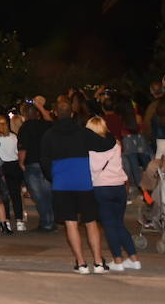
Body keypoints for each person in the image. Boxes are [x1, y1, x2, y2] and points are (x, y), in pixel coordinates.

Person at [40, 99, 113, 273]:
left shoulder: (48, 135)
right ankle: (98, 262)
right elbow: (105, 145)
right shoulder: (82, 132)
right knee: (90, 222)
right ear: (71, 114)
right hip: (83, 182)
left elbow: (44, 161)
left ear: (55, 113)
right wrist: (108, 133)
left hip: (62, 184)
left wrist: (53, 177)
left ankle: (81, 263)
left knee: (71, 223)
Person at [84, 116, 139, 271]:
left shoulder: (89, 148)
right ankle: (134, 258)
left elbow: (93, 169)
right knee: (119, 224)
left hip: (102, 187)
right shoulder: (116, 143)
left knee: (109, 226)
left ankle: (118, 260)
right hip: (119, 186)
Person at [17, 103, 55, 232]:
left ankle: (46, 223)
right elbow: (50, 120)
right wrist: (40, 107)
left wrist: (21, 162)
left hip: (32, 163)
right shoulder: (45, 125)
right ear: (37, 114)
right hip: (46, 163)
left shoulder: (25, 128)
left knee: (38, 196)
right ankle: (50, 220)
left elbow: (23, 148)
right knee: (47, 194)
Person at [0, 115, 26, 231]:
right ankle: (19, 221)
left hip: (0, 167)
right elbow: (18, 152)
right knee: (15, 195)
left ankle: (6, 221)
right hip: (13, 166)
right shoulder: (14, 137)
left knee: (3, 196)